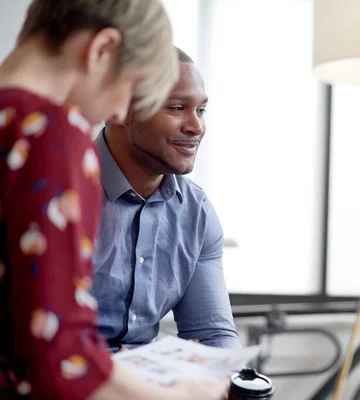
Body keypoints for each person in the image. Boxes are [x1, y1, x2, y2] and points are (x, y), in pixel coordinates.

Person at [0, 1, 226, 399]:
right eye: (128, 86)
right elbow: (59, 359)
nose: (120, 110)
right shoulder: (51, 134)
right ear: (101, 49)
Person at [92, 47, 239, 351]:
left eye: (201, 110)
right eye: (176, 108)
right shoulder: (60, 193)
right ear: (121, 109)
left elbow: (211, 337)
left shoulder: (196, 213)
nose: (196, 127)